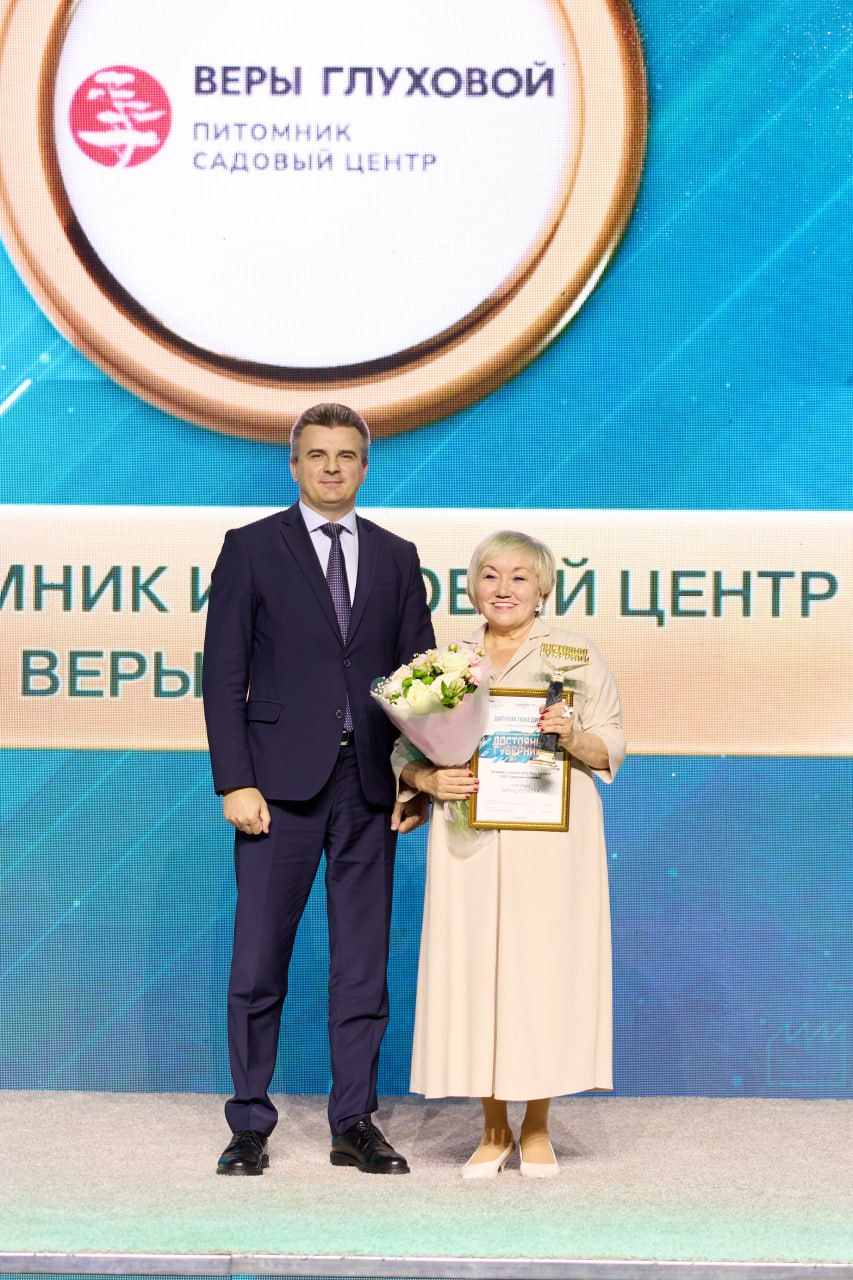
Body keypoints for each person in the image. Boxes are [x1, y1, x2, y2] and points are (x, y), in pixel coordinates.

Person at [202, 402, 434, 1176]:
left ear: (365, 466)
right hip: (275, 789)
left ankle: (353, 1122)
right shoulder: (250, 547)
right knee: (257, 964)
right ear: (294, 465)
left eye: (346, 455)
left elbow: (421, 682)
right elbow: (223, 674)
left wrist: (415, 776)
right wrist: (235, 779)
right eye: (316, 455)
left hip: (369, 786)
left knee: (362, 967)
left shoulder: (397, 556)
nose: (331, 467)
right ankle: (248, 1122)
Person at [393, 530, 625, 1178]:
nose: (503, 588)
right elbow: (405, 749)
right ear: (472, 587)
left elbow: (611, 744)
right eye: (490, 575)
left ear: (543, 587)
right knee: (477, 971)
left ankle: (538, 1124)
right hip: (470, 834)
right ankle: (493, 1129)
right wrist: (425, 779)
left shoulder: (574, 654)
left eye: (519, 577)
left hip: (553, 836)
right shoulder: (448, 662)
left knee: (540, 971)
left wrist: (571, 735)